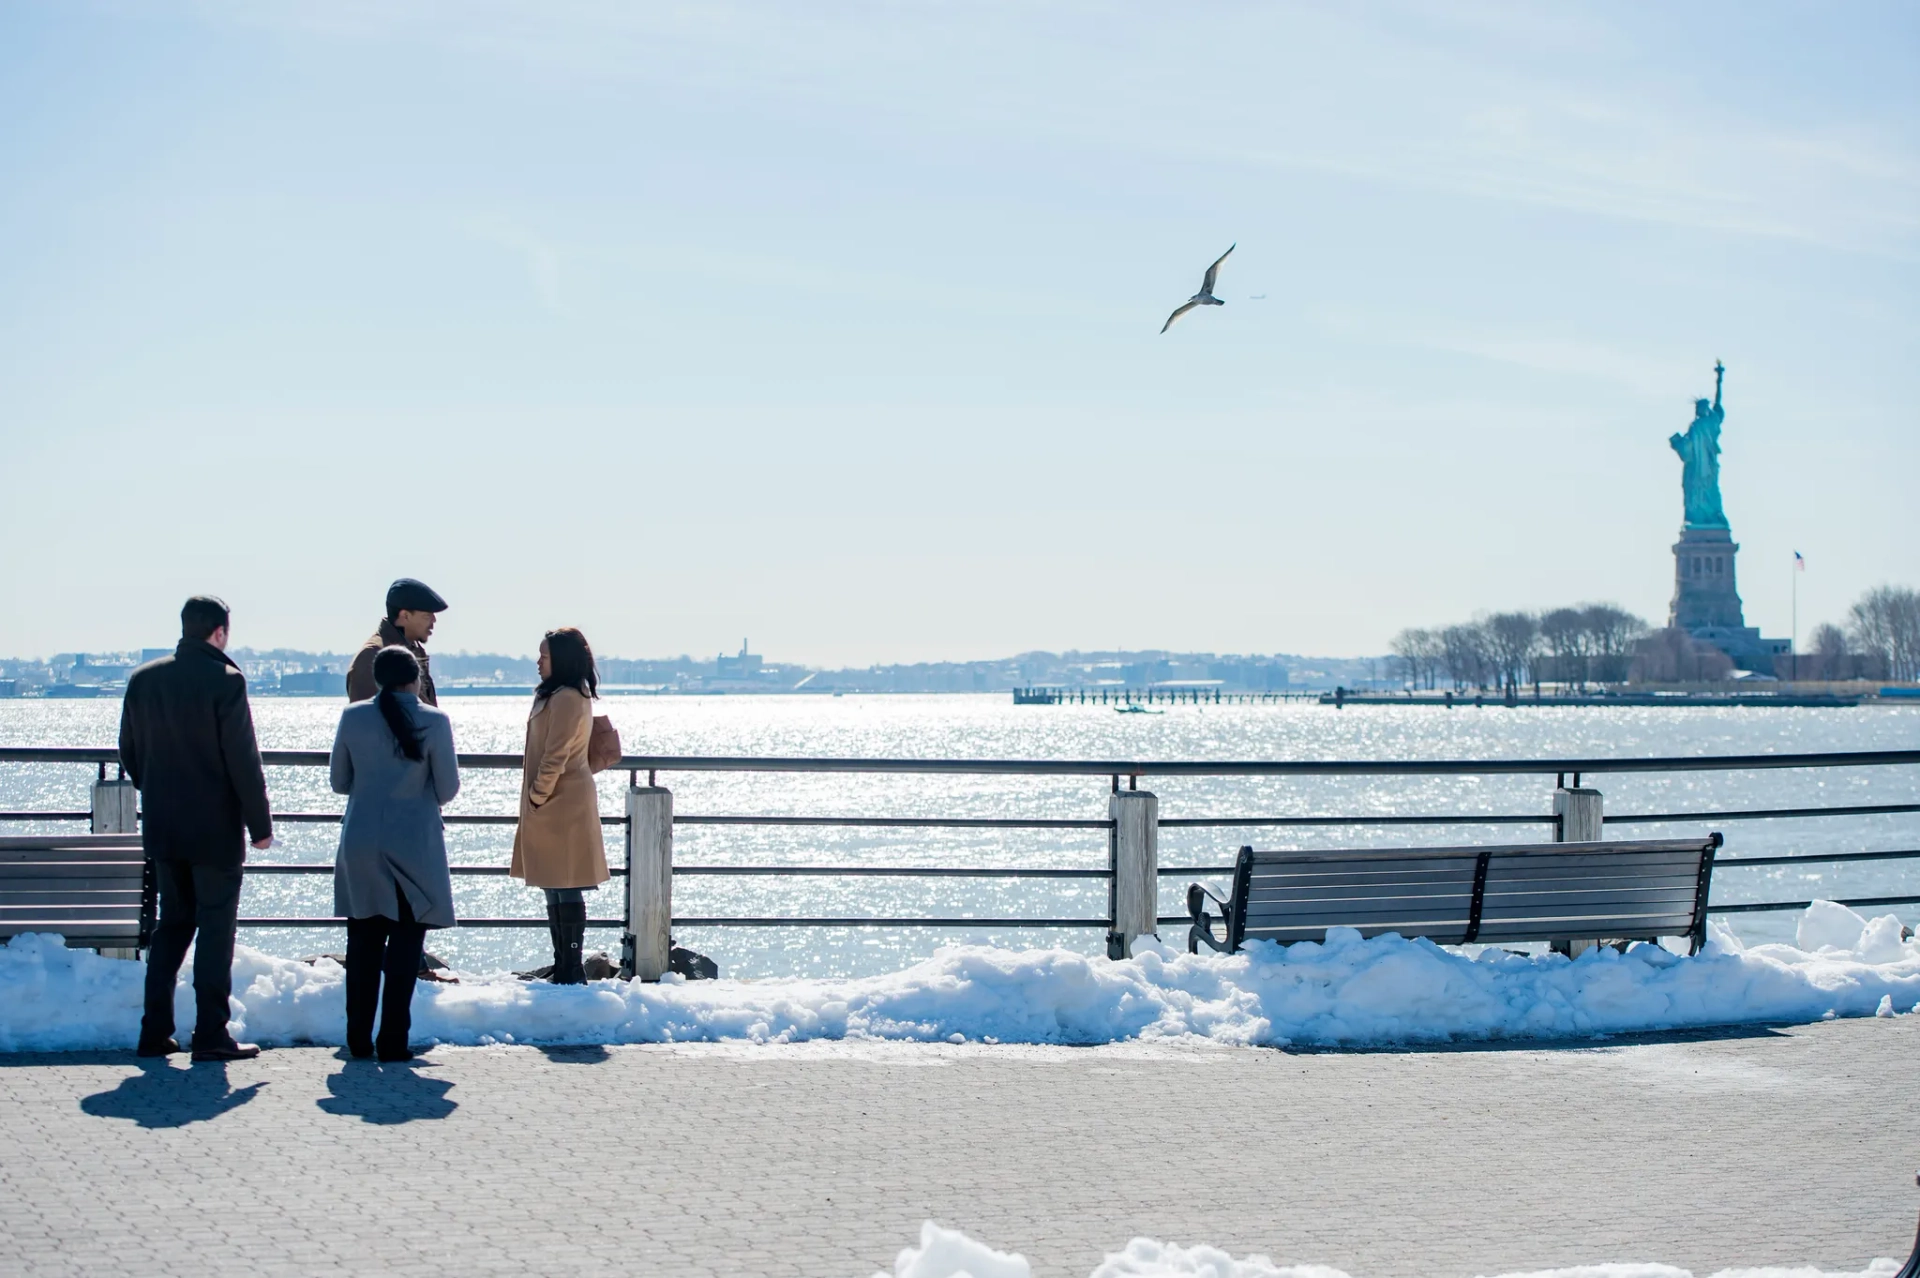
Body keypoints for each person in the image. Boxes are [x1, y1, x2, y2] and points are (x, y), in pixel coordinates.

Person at [117, 596, 273, 1062]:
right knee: (215, 930)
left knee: (172, 926)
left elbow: (128, 750)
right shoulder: (226, 682)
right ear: (220, 632)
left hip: (164, 827)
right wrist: (259, 826)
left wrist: (155, 790)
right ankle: (210, 1034)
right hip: (215, 833)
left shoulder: (143, 680)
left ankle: (154, 1032)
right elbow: (243, 761)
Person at [330, 646, 459, 1061]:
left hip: (362, 842)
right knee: (405, 947)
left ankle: (357, 1039)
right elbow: (447, 789)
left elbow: (338, 781)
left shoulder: (353, 717)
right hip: (414, 846)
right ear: (414, 680)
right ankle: (393, 1041)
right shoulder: (435, 721)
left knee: (363, 943)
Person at [510, 628, 609, 984]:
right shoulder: (560, 694)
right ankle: (563, 965)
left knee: (566, 882)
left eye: (545, 656)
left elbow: (556, 753)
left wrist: (537, 794)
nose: (538, 663)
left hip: (561, 801)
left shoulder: (568, 697)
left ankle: (571, 968)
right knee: (554, 882)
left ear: (562, 659)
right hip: (555, 801)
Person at [346, 578, 447, 705]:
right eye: (427, 616)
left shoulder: (413, 651)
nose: (434, 621)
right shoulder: (372, 657)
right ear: (405, 616)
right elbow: (365, 719)